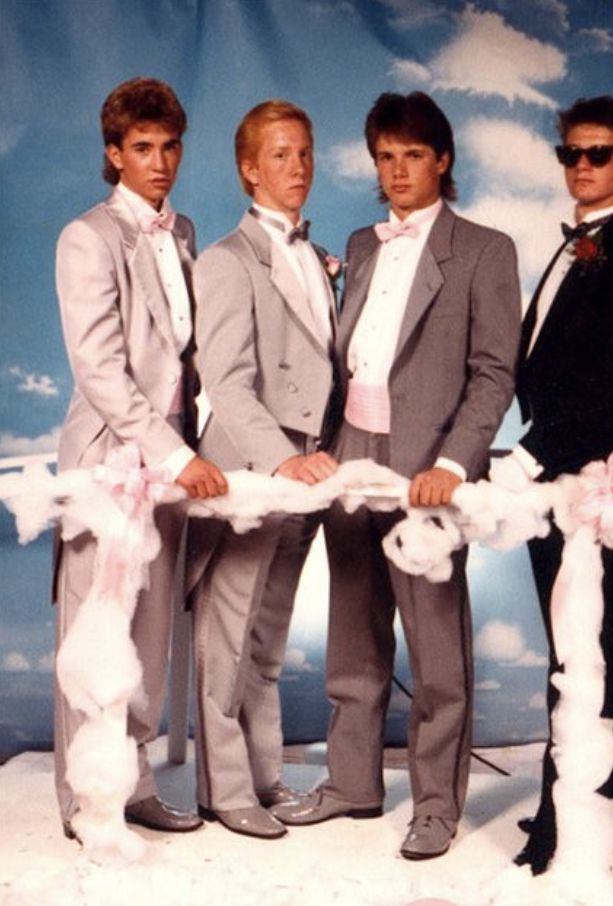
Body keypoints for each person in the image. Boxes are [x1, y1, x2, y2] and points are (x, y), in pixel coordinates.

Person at [273, 91, 521, 860]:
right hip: (352, 454)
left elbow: (492, 373)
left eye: (413, 155)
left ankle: (438, 805)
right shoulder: (362, 243)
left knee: (437, 647)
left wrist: (452, 464)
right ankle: (352, 783)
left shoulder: (485, 248)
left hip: (429, 468)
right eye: (386, 157)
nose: (398, 170)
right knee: (354, 632)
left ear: (441, 161)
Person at [491, 95, 613, 874]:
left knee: (591, 647)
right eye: (571, 153)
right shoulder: (574, 249)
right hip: (557, 480)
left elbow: (611, 381)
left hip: (601, 480)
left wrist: (530, 455)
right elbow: (546, 367)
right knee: (579, 646)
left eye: (598, 154)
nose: (583, 166)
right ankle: (597, 803)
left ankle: (583, 812)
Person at [54, 77, 227, 841]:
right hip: (109, 463)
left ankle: (135, 783)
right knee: (97, 637)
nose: (160, 163)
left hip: (173, 463)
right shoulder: (87, 238)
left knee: (149, 634)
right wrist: (173, 453)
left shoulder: (182, 231)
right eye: (143, 148)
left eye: (170, 147)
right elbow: (100, 371)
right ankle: (84, 803)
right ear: (114, 153)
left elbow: (187, 357)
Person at [187, 100, 340, 840]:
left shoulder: (316, 254)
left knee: (268, 638)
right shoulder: (224, 259)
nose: (297, 167)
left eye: (305, 153)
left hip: (306, 472)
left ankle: (265, 773)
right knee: (228, 635)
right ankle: (223, 789)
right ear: (251, 169)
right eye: (280, 155)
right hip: (250, 471)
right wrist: (283, 459)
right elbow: (226, 381)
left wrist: (314, 458)